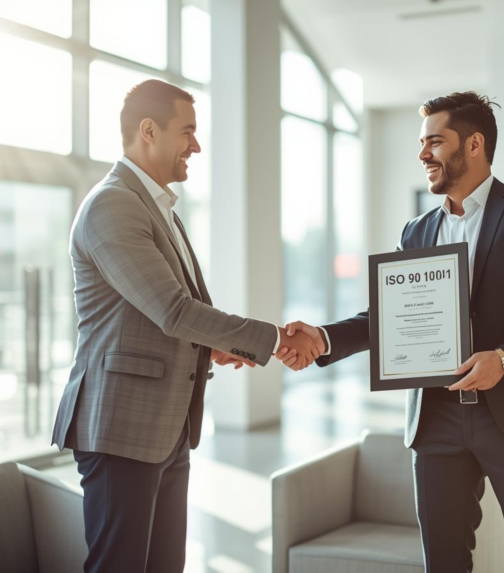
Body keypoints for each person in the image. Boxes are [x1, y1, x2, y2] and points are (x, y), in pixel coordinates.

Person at [277, 91, 504, 572]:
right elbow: (388, 318)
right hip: (435, 419)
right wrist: (322, 338)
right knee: (444, 563)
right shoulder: (417, 231)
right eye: (421, 142)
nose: (422, 154)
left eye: (434, 141)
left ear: (473, 144)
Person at [51, 79, 322, 573]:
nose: (197, 145)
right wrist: (272, 340)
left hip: (166, 424)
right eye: (188, 132)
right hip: (120, 426)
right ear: (148, 131)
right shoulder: (113, 204)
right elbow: (172, 310)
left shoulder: (157, 206)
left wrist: (214, 347)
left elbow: (167, 312)